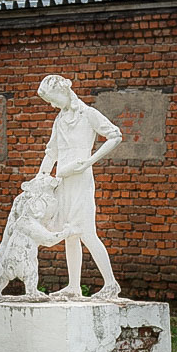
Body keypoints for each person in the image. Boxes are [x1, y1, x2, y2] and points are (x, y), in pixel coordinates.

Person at [35, 74, 123, 300]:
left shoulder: (88, 114)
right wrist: (41, 177)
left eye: (53, 100)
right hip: (64, 180)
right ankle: (74, 286)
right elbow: (52, 152)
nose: (52, 106)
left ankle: (111, 284)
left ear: (64, 92)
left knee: (86, 232)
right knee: (69, 232)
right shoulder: (60, 120)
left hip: (81, 179)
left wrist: (89, 161)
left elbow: (115, 136)